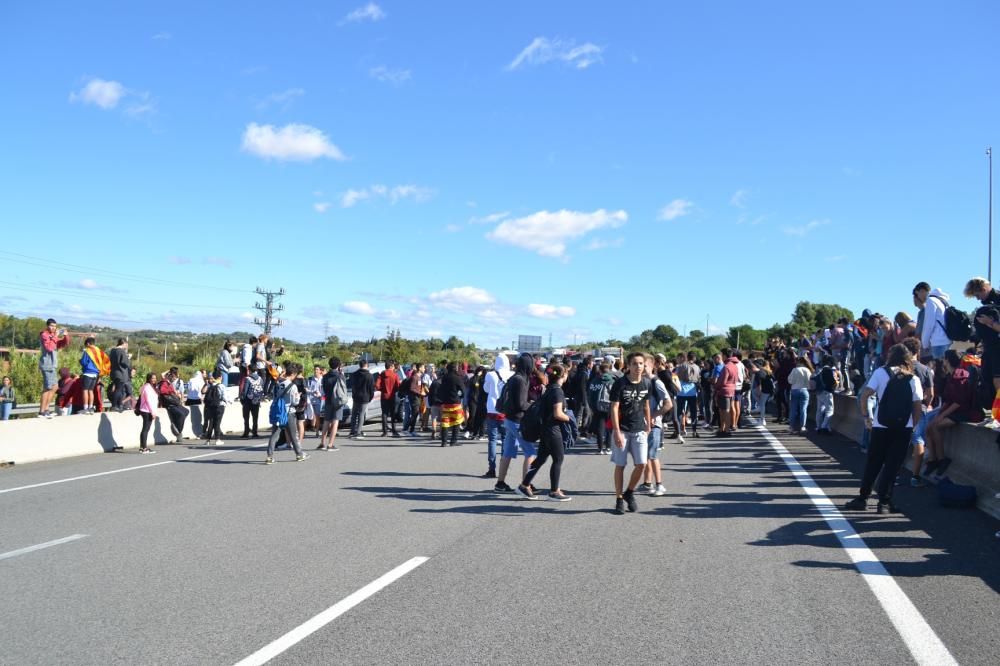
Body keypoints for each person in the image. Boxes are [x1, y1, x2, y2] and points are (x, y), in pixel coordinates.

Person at [846, 343, 924, 514]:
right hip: (903, 426)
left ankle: (863, 498)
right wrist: (913, 425)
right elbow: (917, 406)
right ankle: (884, 502)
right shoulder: (913, 378)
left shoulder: (880, 372)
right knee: (892, 465)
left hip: (881, 425)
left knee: (874, 462)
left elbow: (865, 395)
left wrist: (867, 417)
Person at [516, 362, 572, 502]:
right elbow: (558, 413)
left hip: (545, 429)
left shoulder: (549, 389)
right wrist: (570, 418)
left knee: (541, 459)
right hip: (553, 430)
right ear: (563, 375)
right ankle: (554, 491)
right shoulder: (557, 391)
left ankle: (524, 485)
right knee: (558, 459)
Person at [923, 350, 978, 479]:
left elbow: (958, 402)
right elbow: (948, 400)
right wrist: (940, 413)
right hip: (953, 410)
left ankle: (942, 459)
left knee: (935, 427)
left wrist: (942, 416)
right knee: (928, 427)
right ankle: (932, 460)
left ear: (948, 360)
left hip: (962, 412)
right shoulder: (951, 376)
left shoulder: (960, 376)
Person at [610, 352, 652, 515]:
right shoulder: (620, 383)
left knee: (641, 464)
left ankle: (629, 492)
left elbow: (646, 405)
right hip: (623, 430)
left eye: (641, 363)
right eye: (634, 363)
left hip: (640, 429)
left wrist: (648, 425)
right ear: (628, 365)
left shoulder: (647, 383)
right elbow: (614, 407)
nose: (638, 366)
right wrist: (616, 431)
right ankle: (619, 498)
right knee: (620, 465)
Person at [494, 353, 536, 493]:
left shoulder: (514, 378)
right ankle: (526, 485)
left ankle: (500, 483)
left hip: (509, 419)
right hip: (517, 420)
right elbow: (520, 404)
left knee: (508, 452)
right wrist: (534, 406)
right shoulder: (520, 380)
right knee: (530, 452)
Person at [640, 356, 671, 497]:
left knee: (652, 455)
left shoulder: (656, 382)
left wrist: (652, 416)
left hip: (654, 425)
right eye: (639, 365)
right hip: (642, 424)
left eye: (644, 365)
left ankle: (660, 485)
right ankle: (647, 483)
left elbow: (668, 404)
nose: (641, 368)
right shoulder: (642, 381)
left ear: (652, 366)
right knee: (645, 455)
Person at [265, 363, 308, 464]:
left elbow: (274, 396)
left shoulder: (277, 384)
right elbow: (295, 402)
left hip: (278, 412)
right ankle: (299, 454)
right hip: (289, 412)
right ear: (292, 374)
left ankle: (269, 456)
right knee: (293, 435)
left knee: (274, 435)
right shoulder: (292, 386)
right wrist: (298, 396)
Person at [482, 355, 512, 478]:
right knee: (505, 440)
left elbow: (486, 390)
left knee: (492, 440)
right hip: (506, 411)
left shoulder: (490, 375)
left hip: (492, 410)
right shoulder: (512, 375)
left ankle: (491, 468)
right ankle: (503, 469)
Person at [38, 318, 70, 418]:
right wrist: (55, 336)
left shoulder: (53, 336)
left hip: (52, 366)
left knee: (55, 387)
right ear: (47, 326)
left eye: (55, 326)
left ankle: (46, 409)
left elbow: (64, 343)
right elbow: (49, 347)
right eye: (51, 326)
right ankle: (42, 411)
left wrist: (65, 336)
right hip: (47, 365)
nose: (53, 328)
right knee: (48, 388)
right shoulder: (44, 334)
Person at [913, 282, 952, 362]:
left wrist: (925, 344)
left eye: (917, 294)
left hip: (938, 342)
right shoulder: (941, 300)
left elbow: (929, 325)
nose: (918, 298)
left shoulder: (931, 301)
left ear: (922, 291)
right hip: (947, 340)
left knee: (939, 370)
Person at [320, 356, 347, 451]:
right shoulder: (340, 376)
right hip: (337, 401)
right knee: (335, 422)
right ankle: (330, 444)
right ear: (338, 365)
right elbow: (344, 389)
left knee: (326, 421)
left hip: (327, 400)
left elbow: (323, 389)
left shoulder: (325, 376)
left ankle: (322, 443)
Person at [587, 361, 615, 453]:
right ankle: (608, 447)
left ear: (600, 370)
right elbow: (615, 396)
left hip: (597, 407)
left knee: (600, 428)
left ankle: (600, 448)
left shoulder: (594, 381)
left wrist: (591, 407)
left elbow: (590, 395)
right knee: (609, 427)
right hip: (609, 407)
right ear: (609, 370)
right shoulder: (611, 381)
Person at [78, 336, 109, 415]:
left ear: (88, 344)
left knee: (85, 390)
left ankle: (85, 408)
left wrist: (80, 361)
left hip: (88, 372)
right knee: (91, 390)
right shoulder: (99, 351)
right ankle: (91, 407)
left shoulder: (88, 351)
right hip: (96, 374)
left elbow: (84, 362)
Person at [156, 371, 189, 442]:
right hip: (169, 404)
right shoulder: (164, 382)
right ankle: (178, 431)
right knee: (181, 414)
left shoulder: (169, 383)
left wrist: (175, 393)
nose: (173, 378)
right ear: (168, 376)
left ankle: (177, 428)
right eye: (172, 376)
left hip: (174, 403)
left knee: (186, 411)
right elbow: (162, 391)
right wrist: (171, 392)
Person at [438, 362, 466, 447]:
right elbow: (463, 390)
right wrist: (461, 396)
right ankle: (453, 441)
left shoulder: (444, 378)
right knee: (457, 422)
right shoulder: (457, 378)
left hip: (445, 403)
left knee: (445, 423)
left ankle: (444, 442)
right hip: (455, 403)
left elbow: (441, 390)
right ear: (455, 368)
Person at [714, 350, 739, 437]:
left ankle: (725, 430)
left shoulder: (726, 367)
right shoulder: (735, 366)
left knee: (724, 411)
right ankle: (724, 429)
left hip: (724, 390)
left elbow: (722, 381)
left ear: (725, 356)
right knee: (726, 410)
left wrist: (716, 387)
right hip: (732, 389)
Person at [812, 355, 839, 434]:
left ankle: (818, 427)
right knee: (830, 411)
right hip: (827, 392)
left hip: (819, 392)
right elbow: (832, 382)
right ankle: (824, 427)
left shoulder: (819, 370)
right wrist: (836, 383)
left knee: (819, 410)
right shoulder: (829, 370)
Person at [787, 356, 813, 435]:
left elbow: (790, 381)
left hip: (794, 390)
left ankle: (791, 427)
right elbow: (810, 381)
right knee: (803, 410)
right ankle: (803, 427)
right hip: (804, 390)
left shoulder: (794, 370)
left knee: (793, 410)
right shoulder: (808, 370)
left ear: (799, 362)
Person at [349, 359, 374, 438]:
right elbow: (371, 388)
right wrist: (370, 397)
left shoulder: (354, 374)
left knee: (354, 414)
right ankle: (358, 431)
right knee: (361, 414)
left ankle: (352, 431)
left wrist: (353, 394)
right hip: (365, 397)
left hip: (356, 396)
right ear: (366, 365)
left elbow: (352, 386)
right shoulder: (369, 375)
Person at [376, 361, 401, 438]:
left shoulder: (382, 374)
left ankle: (385, 431)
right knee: (393, 414)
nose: (394, 367)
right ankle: (394, 430)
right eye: (393, 366)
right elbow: (398, 386)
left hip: (384, 396)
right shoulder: (395, 375)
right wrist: (395, 390)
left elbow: (377, 385)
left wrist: (382, 389)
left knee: (384, 413)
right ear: (390, 366)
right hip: (392, 396)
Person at [137, 372, 159, 454]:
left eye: (155, 378)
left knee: (145, 429)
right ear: (149, 378)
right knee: (145, 429)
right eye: (152, 378)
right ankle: (144, 448)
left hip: (147, 410)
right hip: (147, 410)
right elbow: (149, 400)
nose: (154, 380)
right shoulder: (147, 387)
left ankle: (142, 447)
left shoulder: (148, 387)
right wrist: (153, 412)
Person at [203, 370, 227, 446]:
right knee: (217, 423)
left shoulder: (210, 385)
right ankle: (217, 439)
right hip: (220, 406)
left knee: (211, 423)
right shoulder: (221, 386)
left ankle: (208, 440)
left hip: (211, 406)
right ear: (220, 377)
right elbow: (224, 397)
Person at [108, 338, 132, 411]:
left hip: (113, 372)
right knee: (119, 389)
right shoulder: (121, 351)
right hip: (121, 373)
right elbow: (125, 363)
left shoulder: (112, 351)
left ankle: (117, 405)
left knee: (117, 388)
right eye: (126, 344)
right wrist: (128, 358)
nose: (127, 346)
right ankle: (115, 405)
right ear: (124, 343)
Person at [240, 367, 264, 438]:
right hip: (256, 400)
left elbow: (245, 391)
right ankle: (255, 432)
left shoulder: (248, 379)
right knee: (255, 417)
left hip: (248, 400)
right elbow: (262, 388)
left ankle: (246, 432)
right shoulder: (260, 379)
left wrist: (242, 399)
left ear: (249, 370)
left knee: (246, 417)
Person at [755, 360, 775, 426]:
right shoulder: (769, 371)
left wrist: (759, 391)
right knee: (763, 404)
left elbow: (759, 382)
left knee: (762, 404)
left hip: (764, 390)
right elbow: (774, 380)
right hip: (770, 390)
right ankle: (762, 419)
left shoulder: (760, 371)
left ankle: (762, 419)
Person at [306, 365, 324, 437]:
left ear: (320, 371)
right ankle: (303, 431)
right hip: (310, 400)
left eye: (317, 369)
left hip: (319, 400)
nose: (315, 371)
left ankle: (317, 431)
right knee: (308, 415)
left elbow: (324, 390)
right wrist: (312, 392)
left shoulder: (323, 380)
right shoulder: (310, 379)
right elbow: (307, 389)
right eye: (315, 369)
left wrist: (320, 394)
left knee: (317, 416)